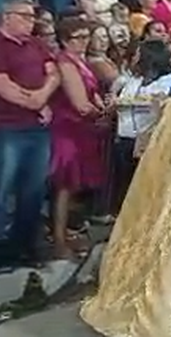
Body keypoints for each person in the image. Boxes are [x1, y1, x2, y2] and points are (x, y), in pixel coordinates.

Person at [0, 0, 61, 272]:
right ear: (7, 17)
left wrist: (42, 95)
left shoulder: (35, 44)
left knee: (33, 190)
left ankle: (25, 246)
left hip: (36, 128)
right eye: (24, 15)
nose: (31, 20)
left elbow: (54, 73)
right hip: (6, 127)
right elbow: (2, 85)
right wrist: (33, 101)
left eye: (32, 16)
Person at [49, 18, 111, 259]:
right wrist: (103, 113)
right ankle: (59, 239)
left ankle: (68, 233)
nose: (85, 42)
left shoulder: (80, 61)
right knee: (65, 185)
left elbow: (92, 95)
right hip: (68, 129)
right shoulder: (65, 63)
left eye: (87, 36)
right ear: (66, 40)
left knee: (74, 186)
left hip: (83, 129)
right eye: (79, 38)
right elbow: (80, 104)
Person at [111, 39, 171, 212]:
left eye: (138, 55)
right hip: (125, 141)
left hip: (150, 144)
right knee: (125, 193)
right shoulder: (133, 81)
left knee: (147, 194)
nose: (134, 59)